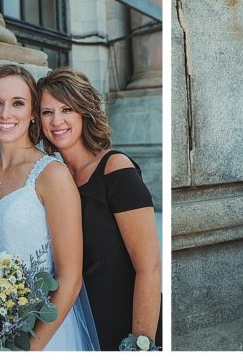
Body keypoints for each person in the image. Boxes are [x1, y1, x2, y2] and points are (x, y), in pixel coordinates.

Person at [0, 64, 99, 350]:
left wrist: (28, 349)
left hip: (44, 331)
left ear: (32, 113)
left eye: (18, 103)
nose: (5, 113)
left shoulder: (52, 175)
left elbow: (70, 279)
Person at [38, 68, 162, 350]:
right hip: (76, 328)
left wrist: (140, 344)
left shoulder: (115, 169)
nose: (56, 121)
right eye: (47, 112)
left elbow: (149, 267)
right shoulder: (53, 179)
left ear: (85, 112)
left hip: (125, 326)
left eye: (66, 109)